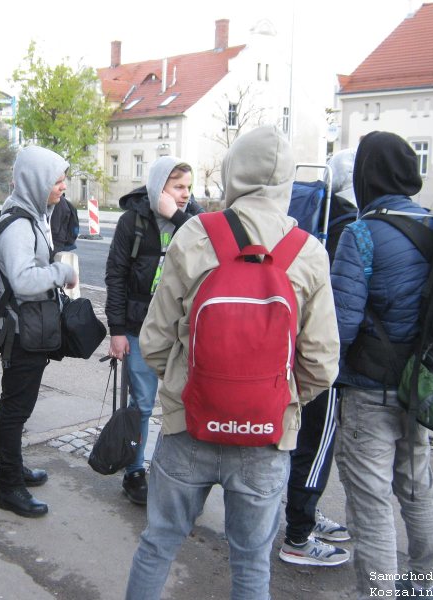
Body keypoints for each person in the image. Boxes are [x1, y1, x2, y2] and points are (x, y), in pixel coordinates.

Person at [125, 126, 340, 599]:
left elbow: (154, 340)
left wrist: (190, 388)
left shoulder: (196, 234)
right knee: (251, 564)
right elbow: (322, 364)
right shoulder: (308, 252)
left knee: (158, 545)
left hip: (189, 427)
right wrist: (275, 399)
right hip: (265, 437)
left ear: (231, 173)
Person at [331, 131, 433, 598]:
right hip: (422, 387)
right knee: (418, 490)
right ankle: (423, 586)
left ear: (367, 175)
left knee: (371, 502)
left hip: (369, 389)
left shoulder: (360, 234)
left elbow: (341, 325)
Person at [104, 156, 203, 505]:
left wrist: (177, 217)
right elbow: (116, 275)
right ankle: (134, 472)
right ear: (159, 187)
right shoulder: (132, 221)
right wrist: (117, 330)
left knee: (183, 405)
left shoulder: (194, 220)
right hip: (140, 328)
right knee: (143, 405)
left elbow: (212, 249)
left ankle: (175, 473)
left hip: (182, 330)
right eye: (178, 187)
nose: (185, 194)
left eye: (188, 187)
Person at [278, 149, 357, 568]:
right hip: (323, 359)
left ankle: (300, 513)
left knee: (296, 440)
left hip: (288, 349)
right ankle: (299, 533)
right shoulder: (349, 228)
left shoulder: (310, 216)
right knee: (315, 444)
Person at [0, 145, 78, 518]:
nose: (62, 186)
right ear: (37, 181)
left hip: (29, 325)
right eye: (57, 180)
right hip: (20, 330)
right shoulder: (17, 225)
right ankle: (9, 488)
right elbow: (23, 280)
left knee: (19, 406)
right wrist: (61, 272)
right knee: (15, 409)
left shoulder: (31, 214)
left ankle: (11, 470)